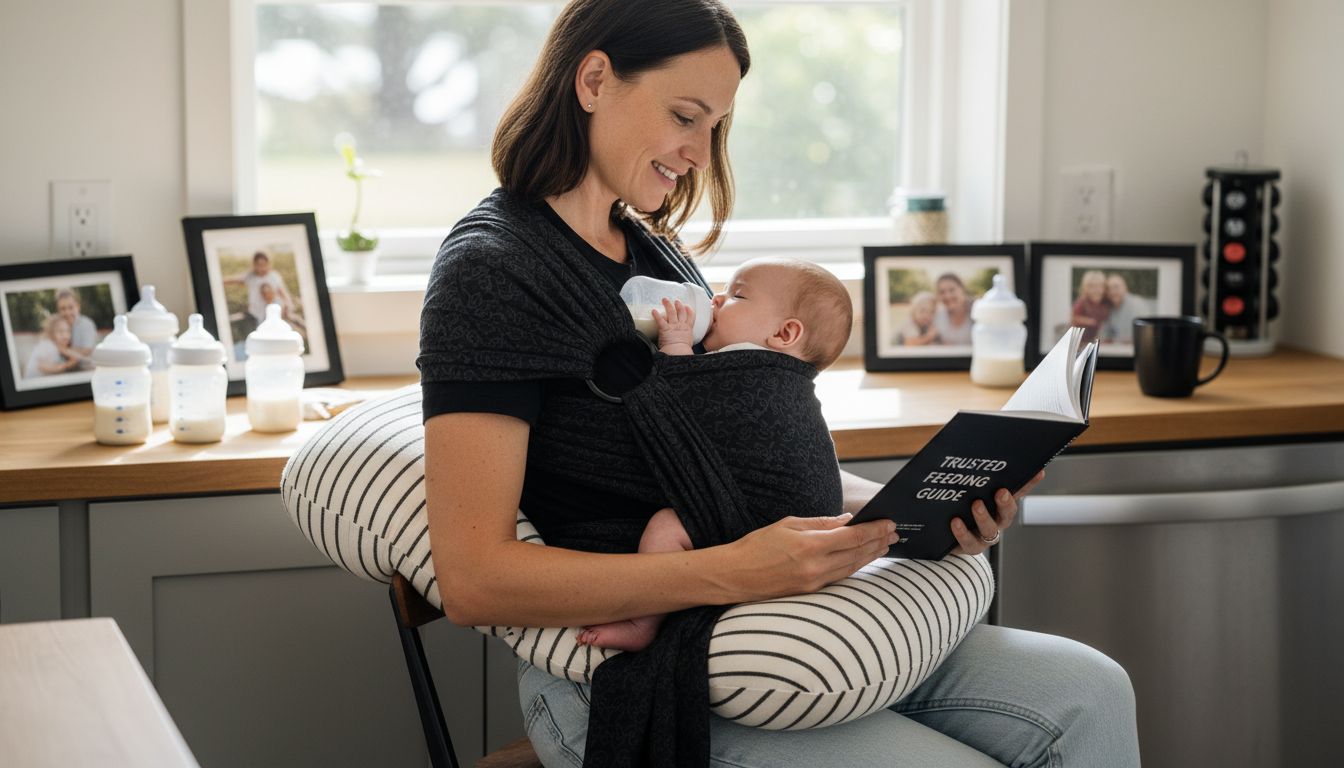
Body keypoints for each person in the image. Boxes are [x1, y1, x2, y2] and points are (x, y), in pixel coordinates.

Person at [418, 2, 1138, 766]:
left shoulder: (659, 259)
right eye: (685, 117)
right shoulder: (492, 273)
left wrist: (918, 506)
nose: (700, 154)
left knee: (1092, 690)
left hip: (763, 622)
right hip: (640, 660)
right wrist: (733, 569)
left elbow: (734, 456)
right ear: (594, 79)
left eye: (716, 128)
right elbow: (474, 579)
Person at [579, 256, 853, 650]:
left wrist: (674, 344)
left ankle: (643, 621)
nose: (716, 300)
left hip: (766, 521)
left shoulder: (754, 373)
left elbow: (679, 405)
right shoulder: (771, 377)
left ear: (784, 333)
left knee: (666, 526)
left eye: (737, 295)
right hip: (798, 522)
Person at [223, 251, 293, 326]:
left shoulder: (274, 276)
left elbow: (283, 294)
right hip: (256, 313)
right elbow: (235, 280)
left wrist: (288, 305)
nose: (261, 267)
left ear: (268, 263)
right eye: (259, 265)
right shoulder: (250, 276)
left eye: (263, 264)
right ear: (254, 264)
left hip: (274, 312)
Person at [1100, 273, 1152, 344]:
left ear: (1125, 288)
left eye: (1116, 287)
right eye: (1109, 289)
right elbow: (1105, 335)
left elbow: (1143, 336)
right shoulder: (1110, 308)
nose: (1112, 291)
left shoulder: (1137, 305)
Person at [55, 288, 98, 368]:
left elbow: (87, 351)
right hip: (71, 369)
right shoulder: (59, 326)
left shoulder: (86, 324)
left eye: (71, 307)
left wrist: (63, 350)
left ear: (78, 307)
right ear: (58, 310)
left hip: (88, 369)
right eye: (63, 309)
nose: (67, 312)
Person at [932, 272, 975, 345]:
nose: (947, 296)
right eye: (942, 292)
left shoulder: (976, 312)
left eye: (952, 290)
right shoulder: (937, 316)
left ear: (962, 289)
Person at [1071, 269, 1110, 345]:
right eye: (1092, 286)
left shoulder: (1105, 302)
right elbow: (1074, 318)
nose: (1096, 290)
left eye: (1100, 286)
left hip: (1101, 339)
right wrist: (1090, 321)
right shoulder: (1082, 302)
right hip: (1083, 341)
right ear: (1085, 288)